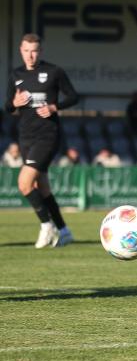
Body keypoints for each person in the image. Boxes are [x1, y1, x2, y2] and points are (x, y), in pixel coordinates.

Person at [4, 33, 79, 248]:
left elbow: (73, 96)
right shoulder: (16, 75)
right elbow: (8, 107)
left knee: (24, 183)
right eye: (27, 51)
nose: (30, 55)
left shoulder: (54, 72)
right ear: (21, 50)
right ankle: (64, 231)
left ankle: (47, 225)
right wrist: (14, 102)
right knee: (42, 187)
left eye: (34, 51)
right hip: (26, 136)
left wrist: (55, 107)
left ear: (40, 51)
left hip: (48, 135)